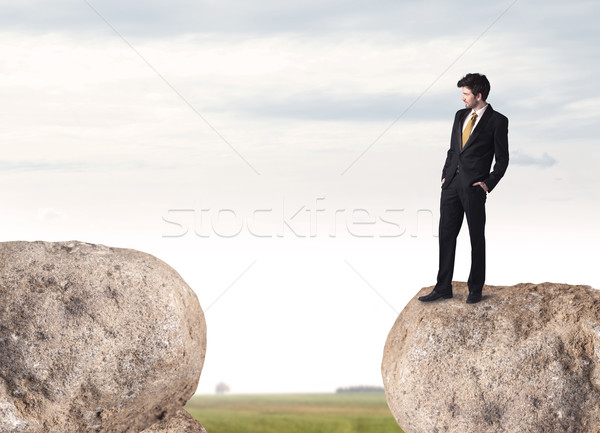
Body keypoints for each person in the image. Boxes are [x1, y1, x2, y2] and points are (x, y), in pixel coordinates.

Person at [419, 73, 509, 304]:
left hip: (474, 188)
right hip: (451, 186)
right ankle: (442, 287)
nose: (462, 98)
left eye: (466, 94)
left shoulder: (498, 121)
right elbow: (452, 150)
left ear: (479, 95)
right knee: (446, 236)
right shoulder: (460, 116)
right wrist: (444, 176)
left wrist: (487, 183)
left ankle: (475, 288)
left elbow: (502, 160)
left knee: (476, 238)